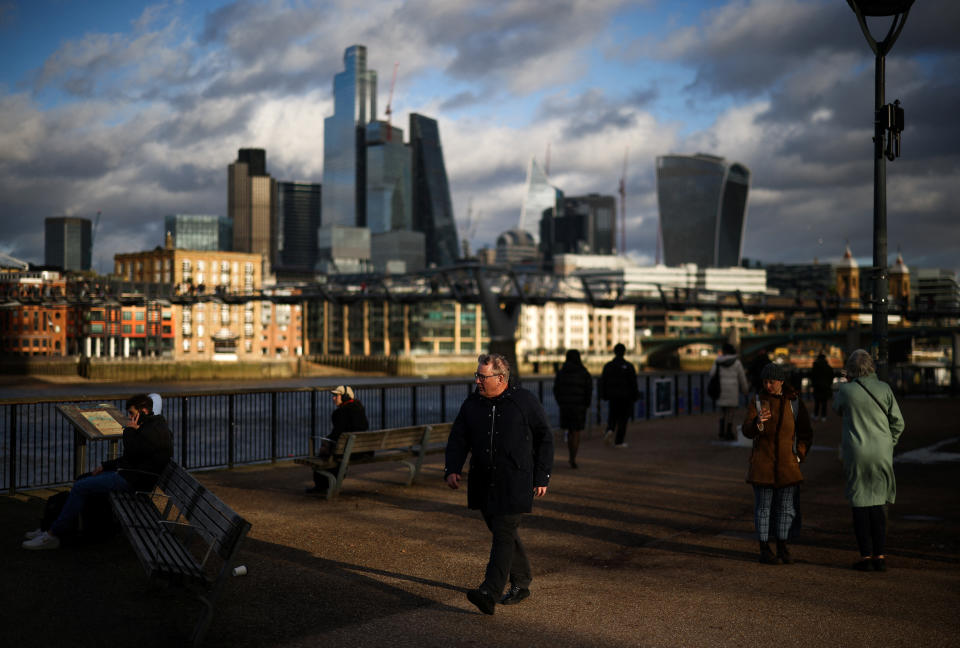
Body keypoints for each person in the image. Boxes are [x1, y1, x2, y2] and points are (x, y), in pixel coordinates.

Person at [445, 353, 553, 615]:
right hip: (483, 480)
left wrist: (542, 476)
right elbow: (459, 437)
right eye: (477, 376)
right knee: (503, 533)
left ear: (501, 378)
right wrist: (453, 468)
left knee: (504, 532)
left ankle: (488, 592)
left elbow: (545, 438)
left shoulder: (524, 401)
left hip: (515, 480)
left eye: (483, 377)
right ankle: (522, 582)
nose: (478, 381)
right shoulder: (472, 403)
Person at [23, 393, 173, 550]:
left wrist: (129, 430)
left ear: (144, 411)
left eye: (132, 414)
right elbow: (132, 458)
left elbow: (132, 452)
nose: (129, 418)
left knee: (81, 487)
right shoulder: (152, 427)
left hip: (134, 482)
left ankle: (52, 535)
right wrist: (105, 466)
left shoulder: (152, 431)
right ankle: (50, 527)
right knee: (83, 479)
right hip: (131, 475)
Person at [833, 349, 904, 572]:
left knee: (860, 502)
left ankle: (865, 556)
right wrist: (888, 443)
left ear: (851, 368)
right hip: (882, 451)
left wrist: (846, 381)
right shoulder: (884, 388)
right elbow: (899, 423)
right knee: (879, 502)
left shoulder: (846, 390)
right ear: (871, 366)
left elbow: (837, 409)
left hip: (857, 452)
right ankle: (880, 555)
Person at [742, 363, 813, 565]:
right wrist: (757, 424)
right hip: (763, 464)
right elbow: (747, 429)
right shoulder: (758, 401)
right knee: (763, 508)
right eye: (765, 381)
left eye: (771, 381)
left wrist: (799, 455)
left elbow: (806, 432)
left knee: (786, 508)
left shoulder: (794, 402)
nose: (768, 385)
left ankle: (782, 546)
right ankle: (764, 548)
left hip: (787, 465)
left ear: (781, 382)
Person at [306, 385, 370, 494]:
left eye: (337, 396)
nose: (333, 398)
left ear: (345, 397)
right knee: (335, 451)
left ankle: (321, 486)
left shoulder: (340, 413)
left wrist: (325, 443)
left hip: (347, 452)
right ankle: (329, 483)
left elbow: (336, 434)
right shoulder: (360, 409)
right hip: (361, 451)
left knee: (325, 454)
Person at [552, 349, 592, 469]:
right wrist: (586, 403)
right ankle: (572, 457)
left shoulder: (562, 372)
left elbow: (556, 389)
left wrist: (561, 402)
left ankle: (571, 455)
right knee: (576, 431)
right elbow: (588, 389)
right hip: (579, 406)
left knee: (569, 430)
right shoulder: (584, 372)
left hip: (565, 406)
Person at [598, 343, 639, 448]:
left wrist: (603, 394)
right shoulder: (629, 366)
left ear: (614, 352)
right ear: (624, 352)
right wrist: (635, 395)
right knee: (623, 419)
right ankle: (619, 441)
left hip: (612, 396)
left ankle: (610, 430)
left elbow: (603, 381)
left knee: (612, 416)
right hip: (625, 396)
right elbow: (633, 383)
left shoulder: (608, 366)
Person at [709, 343, 749, 440]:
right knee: (731, 412)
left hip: (721, 389)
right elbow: (742, 378)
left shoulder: (718, 361)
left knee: (722, 412)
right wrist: (745, 390)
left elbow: (711, 374)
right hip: (732, 390)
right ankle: (728, 432)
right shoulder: (737, 363)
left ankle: (721, 432)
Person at [810, 353, 835, 422]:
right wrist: (829, 384)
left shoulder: (815, 366)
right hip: (826, 387)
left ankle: (816, 415)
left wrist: (813, 385)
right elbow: (832, 376)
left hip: (817, 387)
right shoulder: (828, 367)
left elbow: (812, 377)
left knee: (817, 402)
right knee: (824, 402)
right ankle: (823, 416)